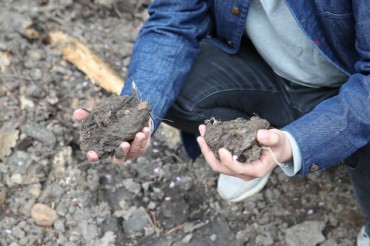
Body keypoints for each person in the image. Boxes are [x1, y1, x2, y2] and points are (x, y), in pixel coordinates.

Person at [73, 0, 370, 244]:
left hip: (345, 86)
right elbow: (174, 21)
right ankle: (244, 143)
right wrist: (134, 114)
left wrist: (295, 143)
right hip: (265, 68)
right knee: (171, 88)